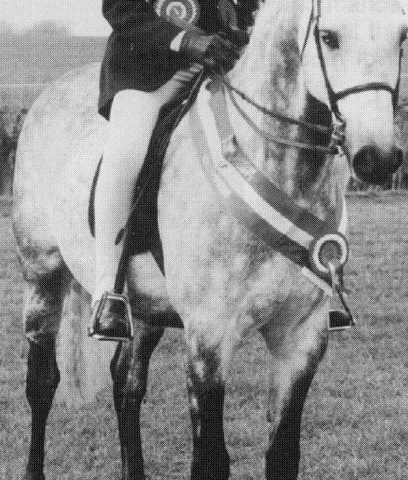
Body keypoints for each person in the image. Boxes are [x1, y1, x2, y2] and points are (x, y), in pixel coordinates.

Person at [90, 0, 256, 341]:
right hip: (148, 75)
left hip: (221, 70)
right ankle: (108, 290)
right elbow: (121, 11)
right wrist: (188, 41)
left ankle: (309, 273)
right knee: (126, 153)